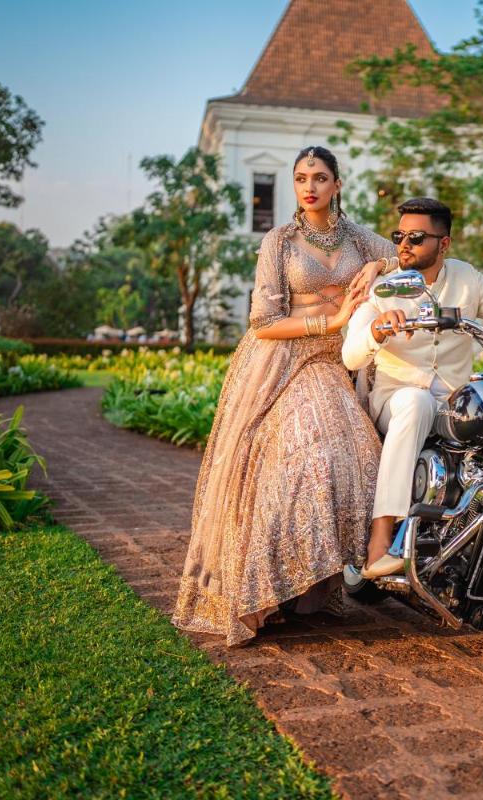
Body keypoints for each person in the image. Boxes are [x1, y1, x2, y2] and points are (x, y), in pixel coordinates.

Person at [172, 146, 398, 646]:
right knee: (312, 452)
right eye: (300, 178)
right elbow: (264, 322)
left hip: (342, 363)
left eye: (320, 177)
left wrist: (380, 268)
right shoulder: (280, 241)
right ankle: (261, 588)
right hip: (286, 361)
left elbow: (406, 251)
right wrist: (333, 320)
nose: (309, 187)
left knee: (359, 453)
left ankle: (313, 586)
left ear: (337, 184)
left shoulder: (358, 237)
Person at [342, 197, 483, 577]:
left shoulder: (466, 278)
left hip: (451, 400)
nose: (403, 245)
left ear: (443, 244)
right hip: (396, 398)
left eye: (416, 237)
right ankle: (381, 539)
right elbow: (351, 355)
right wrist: (377, 330)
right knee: (415, 403)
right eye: (399, 235)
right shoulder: (384, 287)